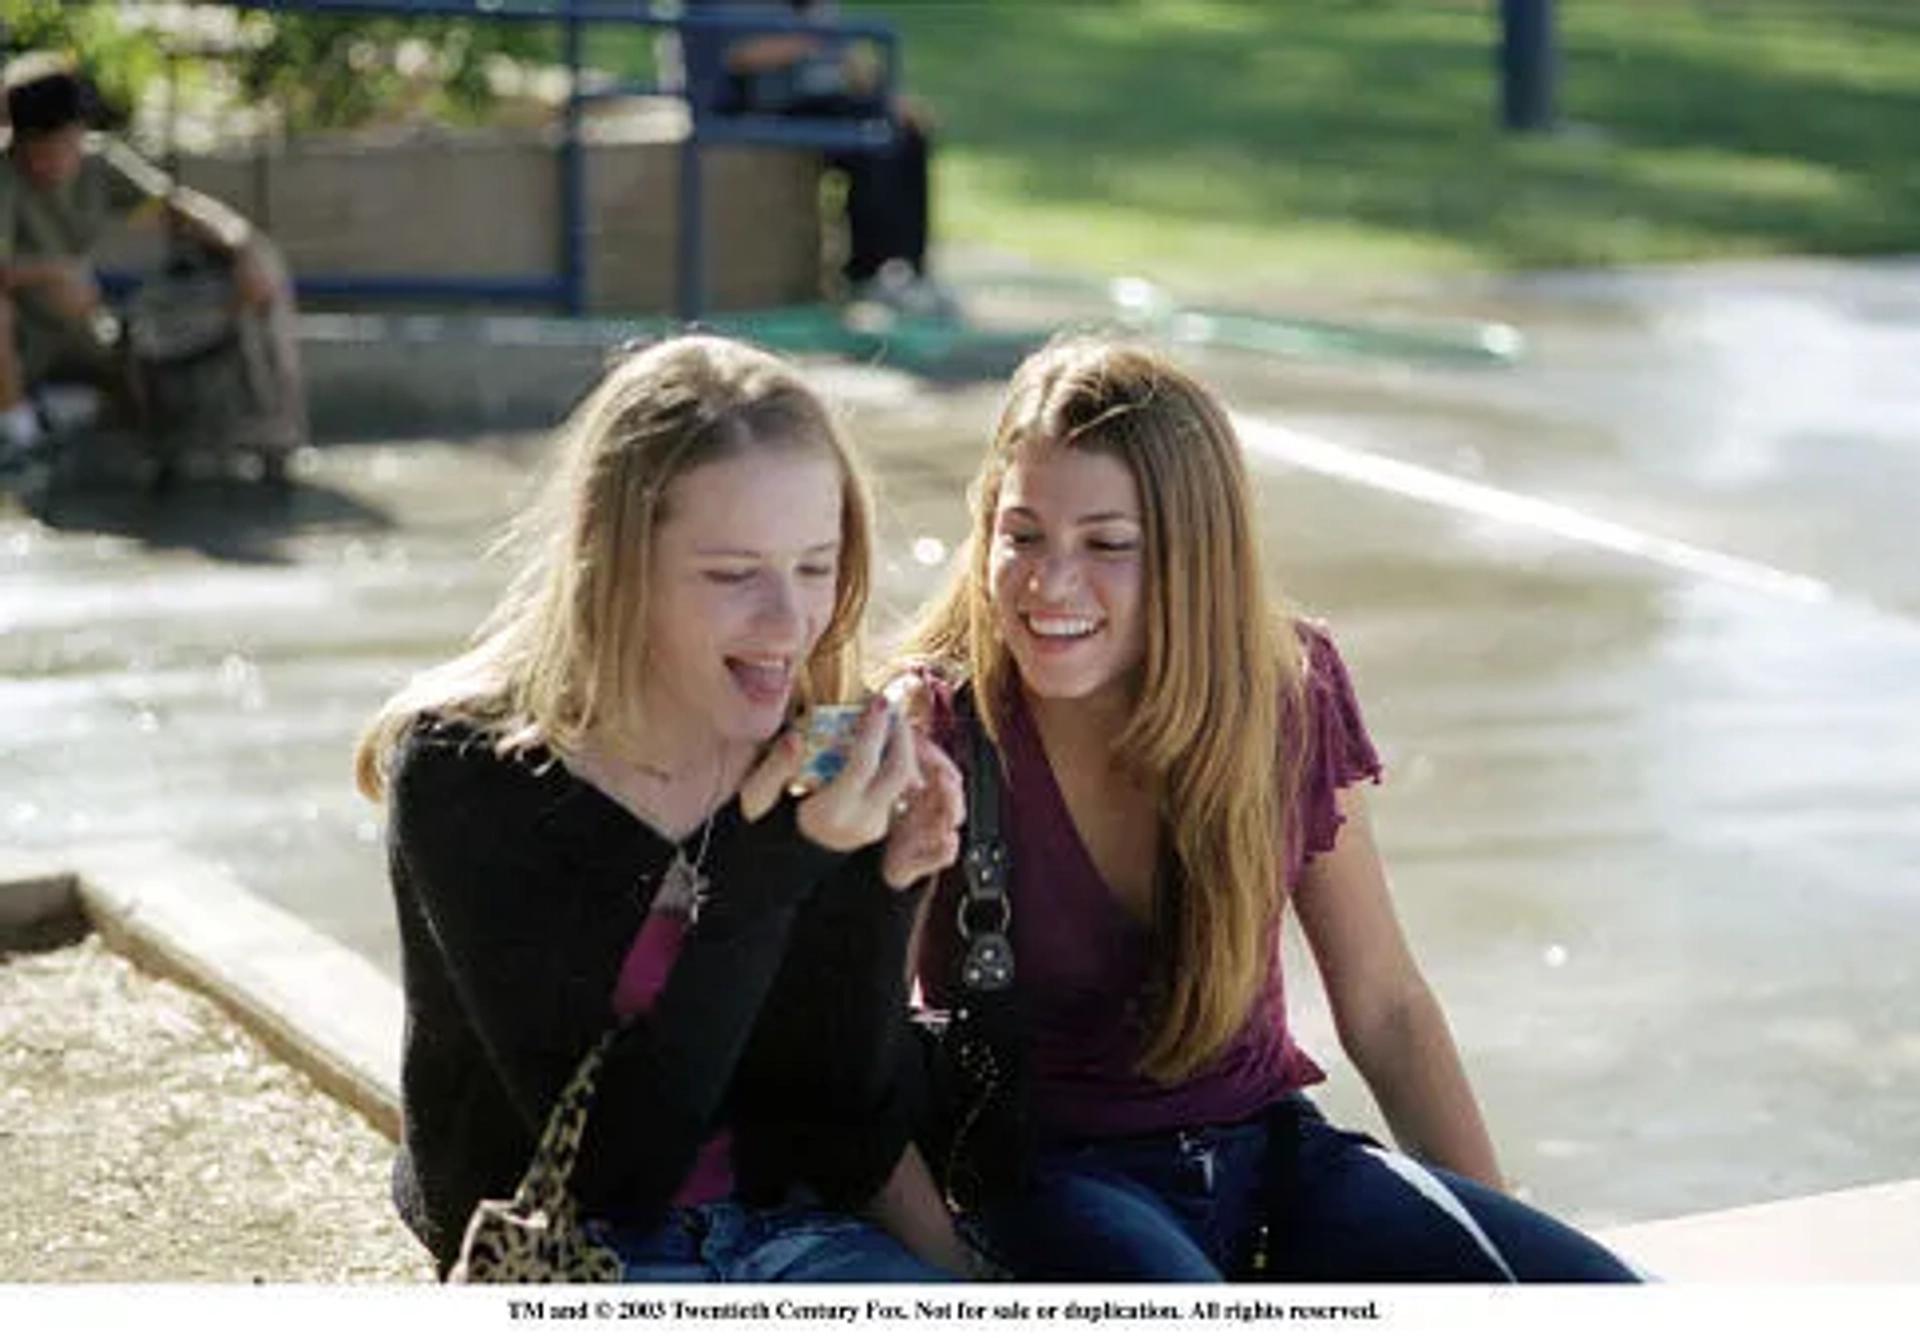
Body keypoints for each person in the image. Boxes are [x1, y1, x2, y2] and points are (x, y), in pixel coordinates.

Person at [887, 334, 1644, 1282]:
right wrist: (949, 1276)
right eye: (1022, 534)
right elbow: (851, 1057)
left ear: (1196, 555)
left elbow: (1386, 1005)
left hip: (1273, 1157)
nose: (1051, 583)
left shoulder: (1288, 692)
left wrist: (1490, 1252)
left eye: (1108, 544)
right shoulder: (936, 729)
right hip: (1052, 1185)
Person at [351, 334, 978, 1282]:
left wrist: (885, 889)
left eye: (815, 566)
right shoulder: (466, 775)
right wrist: (774, 865)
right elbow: (616, 1172)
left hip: (792, 1233)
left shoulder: (814, 748)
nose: (789, 622)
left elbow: (839, 1130)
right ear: (616, 565)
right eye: (734, 574)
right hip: (577, 1250)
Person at [0, 52, 306, 483]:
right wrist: (54, 272)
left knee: (245, 276)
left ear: (78, 134)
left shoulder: (99, 164)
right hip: (18, 337)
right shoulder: (5, 174)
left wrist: (240, 244)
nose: (43, 166)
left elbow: (174, 208)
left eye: (56, 150)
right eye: (33, 153)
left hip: (79, 330)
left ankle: (254, 438)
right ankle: (17, 434)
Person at [671, 1, 947, 314]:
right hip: (745, 102)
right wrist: (810, 40)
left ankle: (905, 270)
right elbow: (733, 53)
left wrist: (887, 97)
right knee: (869, 138)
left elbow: (843, 51)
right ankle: (873, 273)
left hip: (802, 95)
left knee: (904, 132)